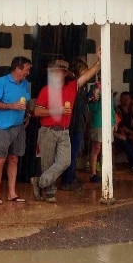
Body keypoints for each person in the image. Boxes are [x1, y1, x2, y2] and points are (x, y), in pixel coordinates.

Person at [31, 54, 101, 203]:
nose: (58, 74)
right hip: (48, 130)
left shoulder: (71, 87)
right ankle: (49, 193)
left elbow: (88, 75)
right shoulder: (46, 90)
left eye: (61, 71)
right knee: (48, 164)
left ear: (65, 74)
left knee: (65, 161)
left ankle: (40, 182)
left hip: (64, 131)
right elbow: (37, 112)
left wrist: (99, 62)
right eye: (56, 71)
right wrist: (57, 111)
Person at [0, 56, 31, 204]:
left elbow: (28, 102)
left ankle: (12, 193)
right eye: (26, 69)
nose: (28, 72)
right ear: (17, 68)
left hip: (19, 126)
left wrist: (28, 114)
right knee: (0, 159)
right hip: (2, 126)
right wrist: (11, 106)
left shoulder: (25, 84)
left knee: (14, 159)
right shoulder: (2, 82)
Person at [59, 58, 92, 191]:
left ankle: (71, 177)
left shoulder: (80, 86)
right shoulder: (73, 84)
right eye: (84, 70)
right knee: (72, 153)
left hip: (79, 122)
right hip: (74, 123)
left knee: (74, 152)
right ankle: (68, 180)